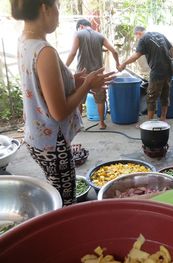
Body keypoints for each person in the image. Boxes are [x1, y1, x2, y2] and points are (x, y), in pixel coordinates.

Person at [11, 0, 114, 206]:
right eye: (57, 5)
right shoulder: (45, 51)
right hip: (52, 144)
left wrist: (73, 81)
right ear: (44, 8)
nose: (59, 13)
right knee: (64, 202)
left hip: (35, 137)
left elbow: (40, 86)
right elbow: (58, 112)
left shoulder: (24, 41)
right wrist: (87, 85)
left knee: (55, 190)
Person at [66, 18, 120, 129]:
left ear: (80, 26)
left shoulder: (78, 34)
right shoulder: (100, 36)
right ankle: (101, 123)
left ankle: (79, 124)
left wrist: (64, 67)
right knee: (100, 99)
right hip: (97, 74)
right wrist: (118, 64)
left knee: (79, 100)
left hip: (82, 74)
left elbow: (72, 53)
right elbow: (114, 51)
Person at [118, 26, 173, 121]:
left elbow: (136, 56)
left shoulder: (143, 39)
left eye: (136, 37)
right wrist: (172, 62)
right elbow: (172, 48)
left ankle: (149, 123)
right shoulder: (159, 34)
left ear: (138, 33)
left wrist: (124, 63)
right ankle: (163, 118)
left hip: (157, 71)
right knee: (165, 95)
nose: (137, 39)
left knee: (151, 97)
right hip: (168, 70)